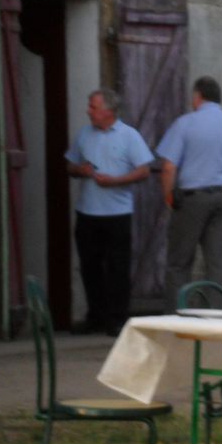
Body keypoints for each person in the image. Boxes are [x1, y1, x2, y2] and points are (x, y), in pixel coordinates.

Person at [157, 76, 222, 311]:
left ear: (197, 97)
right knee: (216, 263)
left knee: (179, 262)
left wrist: (168, 196)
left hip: (193, 198)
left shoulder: (185, 124)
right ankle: (216, 315)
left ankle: (177, 314)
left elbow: (168, 167)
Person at [65, 88, 154, 335]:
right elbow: (70, 165)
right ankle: (95, 316)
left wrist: (117, 180)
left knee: (117, 267)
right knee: (90, 266)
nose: (88, 111)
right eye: (89, 106)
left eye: (93, 107)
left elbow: (144, 170)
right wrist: (79, 170)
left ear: (108, 111)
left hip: (117, 213)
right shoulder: (84, 134)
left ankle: (117, 318)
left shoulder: (129, 136)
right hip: (87, 212)